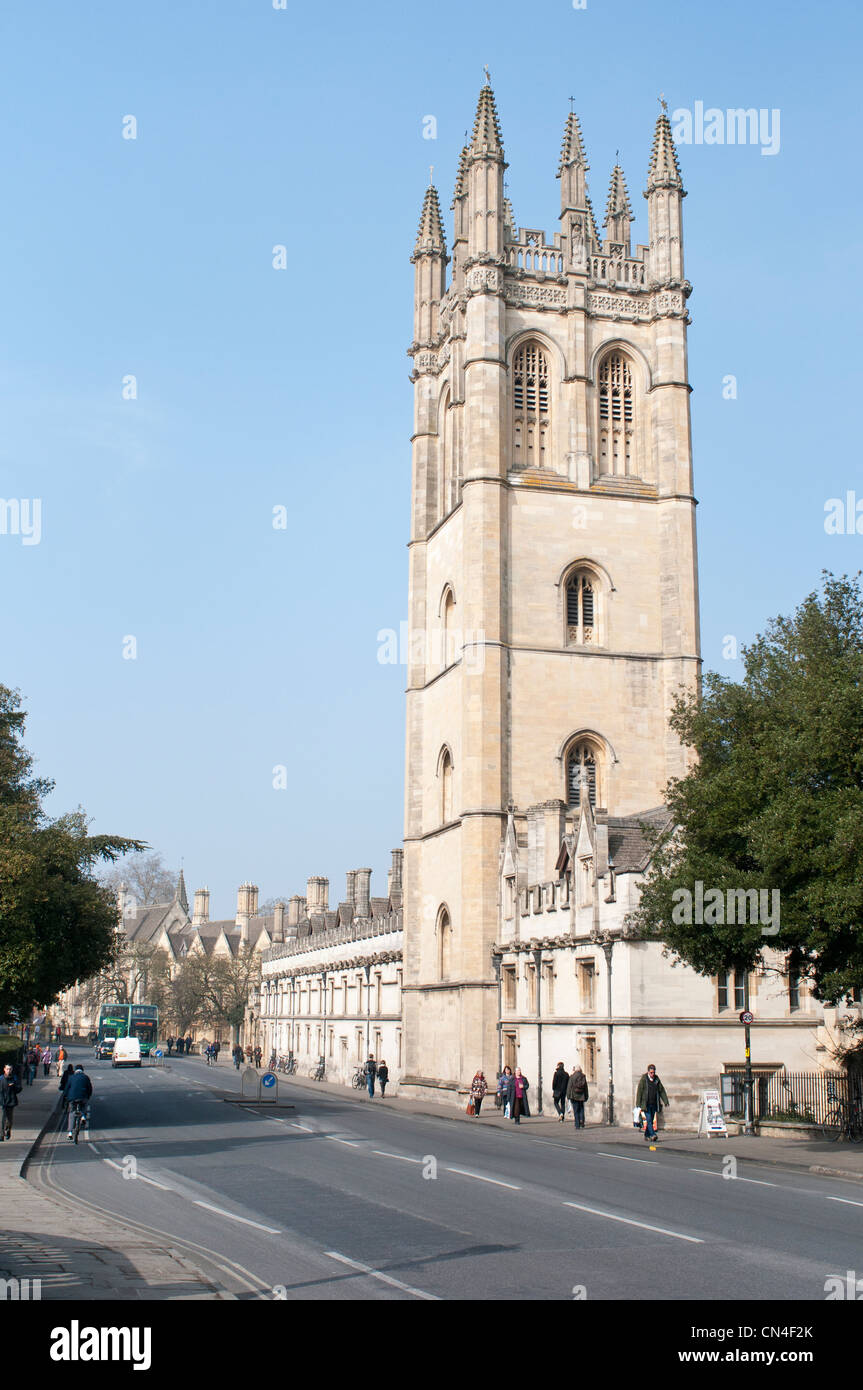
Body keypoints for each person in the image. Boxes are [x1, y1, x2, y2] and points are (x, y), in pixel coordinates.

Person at [636, 1063, 669, 1142]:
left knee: (650, 1120)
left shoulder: (656, 1079)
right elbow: (639, 1091)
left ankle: (646, 1135)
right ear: (648, 1072)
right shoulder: (644, 1079)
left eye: (653, 1072)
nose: (652, 1074)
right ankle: (653, 1134)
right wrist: (638, 1103)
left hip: (654, 1103)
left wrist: (665, 1101)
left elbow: (661, 1090)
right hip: (645, 1104)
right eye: (651, 1073)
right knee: (649, 1119)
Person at [64, 1065, 93, 1140]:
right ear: (82, 1070)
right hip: (83, 1096)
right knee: (84, 1106)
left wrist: (66, 1097)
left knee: (71, 1113)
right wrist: (88, 1096)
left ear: (75, 1070)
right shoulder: (86, 1077)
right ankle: (83, 1116)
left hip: (72, 1098)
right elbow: (89, 1088)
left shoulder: (71, 1077)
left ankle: (70, 1133)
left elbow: (67, 1088)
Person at [0, 1063, 22, 1141]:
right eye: (7, 1069)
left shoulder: (14, 1078)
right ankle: (1, 1135)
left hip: (11, 1100)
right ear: (4, 1069)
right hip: (2, 1101)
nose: (8, 1071)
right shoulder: (1, 1078)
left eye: (10, 1069)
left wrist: (14, 1086)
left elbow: (19, 1089)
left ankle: (8, 1130)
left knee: (9, 1120)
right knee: (1, 1119)